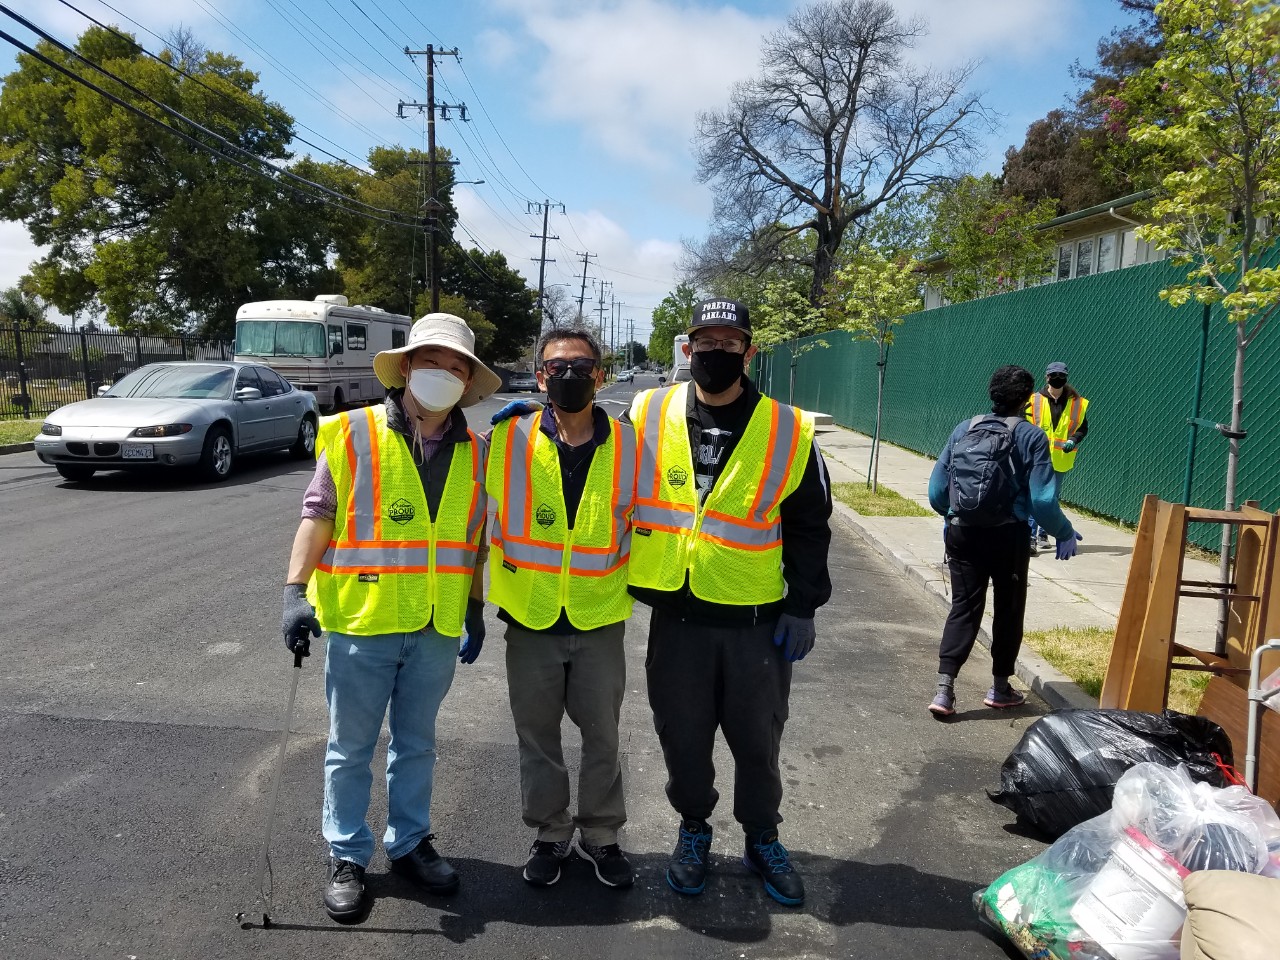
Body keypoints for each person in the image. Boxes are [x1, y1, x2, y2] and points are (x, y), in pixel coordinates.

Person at [280, 313, 501, 923]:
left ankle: (410, 843)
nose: (445, 374)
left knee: (417, 744)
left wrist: (476, 610)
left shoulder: (478, 453)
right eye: (434, 362)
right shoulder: (352, 435)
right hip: (361, 622)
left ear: (467, 382)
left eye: (457, 367)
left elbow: (474, 539)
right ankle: (347, 854)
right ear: (407, 367)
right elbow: (318, 515)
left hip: (435, 626)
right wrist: (295, 590)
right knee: (350, 748)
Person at [624, 297, 832, 908]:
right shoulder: (649, 410)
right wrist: (542, 418)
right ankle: (693, 830)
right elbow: (599, 456)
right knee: (682, 738)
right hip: (678, 618)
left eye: (729, 341)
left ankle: (762, 837)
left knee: (757, 742)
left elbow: (811, 524)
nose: (716, 352)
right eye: (704, 342)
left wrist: (804, 605)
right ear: (687, 350)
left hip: (755, 622)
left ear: (750, 349)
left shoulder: (789, 429)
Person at [484, 326, 636, 889]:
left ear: (600, 375)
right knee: (538, 737)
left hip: (599, 616)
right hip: (530, 617)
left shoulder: (629, 445)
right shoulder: (506, 440)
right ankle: (550, 834)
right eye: (557, 367)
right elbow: (469, 514)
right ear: (540, 375)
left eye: (582, 366)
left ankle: (602, 835)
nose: (569, 375)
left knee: (603, 736)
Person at [927, 364, 1082, 719]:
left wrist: (952, 515)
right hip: (1007, 535)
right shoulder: (1031, 436)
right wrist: (1063, 532)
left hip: (962, 532)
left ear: (991, 392)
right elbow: (1042, 501)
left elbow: (936, 491)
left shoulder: (964, 429)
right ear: (1028, 400)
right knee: (1009, 608)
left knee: (964, 606)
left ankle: (945, 689)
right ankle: (999, 688)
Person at [1026, 361, 1090, 550]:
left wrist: (1074, 439)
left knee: (1050, 497)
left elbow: (1082, 428)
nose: (1057, 379)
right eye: (1054, 375)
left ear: (1066, 378)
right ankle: (1031, 536)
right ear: (1047, 377)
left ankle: (1044, 533)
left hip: (1061, 458)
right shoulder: (1034, 400)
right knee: (1037, 497)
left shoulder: (1076, 403)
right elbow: (1024, 423)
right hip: (1037, 458)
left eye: (1061, 376)